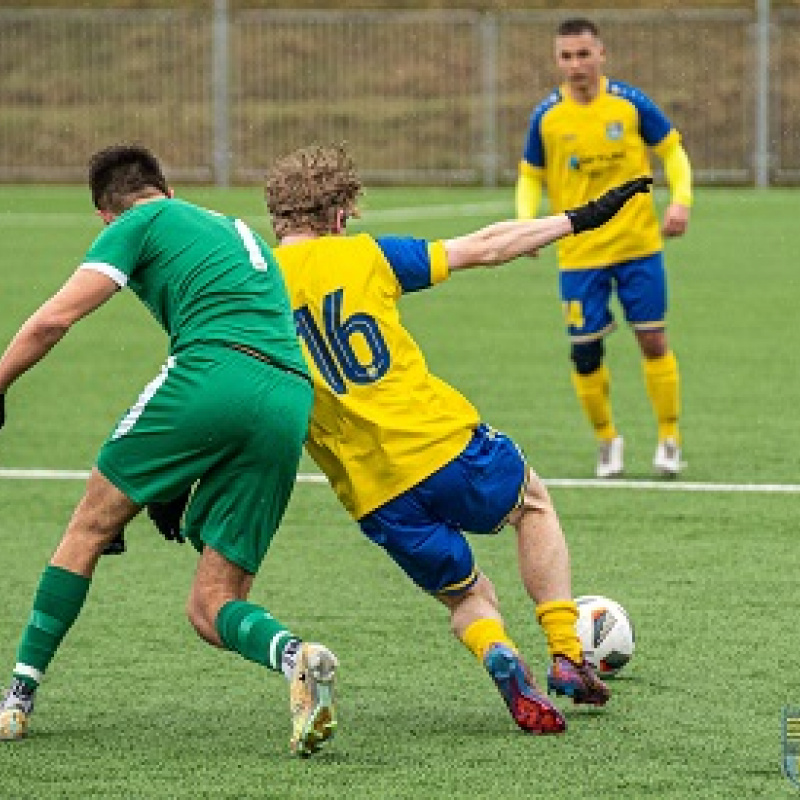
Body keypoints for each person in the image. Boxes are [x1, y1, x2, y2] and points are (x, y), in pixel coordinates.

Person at [248, 144, 647, 735]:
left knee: (466, 599)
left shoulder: (253, 292)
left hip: (373, 493)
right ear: (340, 216)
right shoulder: (367, 256)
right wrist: (578, 219)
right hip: (444, 445)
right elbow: (486, 247)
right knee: (532, 504)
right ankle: (566, 653)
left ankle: (498, 654)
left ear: (278, 218)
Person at [0, 144, 337, 757]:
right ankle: (298, 657)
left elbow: (54, 320)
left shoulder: (135, 223)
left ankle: (17, 698)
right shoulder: (232, 227)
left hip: (213, 372)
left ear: (106, 215)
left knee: (89, 526)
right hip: (289, 397)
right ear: (168, 188)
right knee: (213, 607)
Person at [516, 17, 693, 479]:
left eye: (584, 54)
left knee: (653, 338)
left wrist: (681, 200)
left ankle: (669, 438)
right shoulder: (547, 117)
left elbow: (673, 151)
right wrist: (525, 223)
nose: (576, 64)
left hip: (638, 246)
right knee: (585, 351)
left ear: (602, 55)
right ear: (557, 60)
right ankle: (607, 440)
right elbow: (531, 175)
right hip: (578, 253)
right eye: (566, 56)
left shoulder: (630, 104)